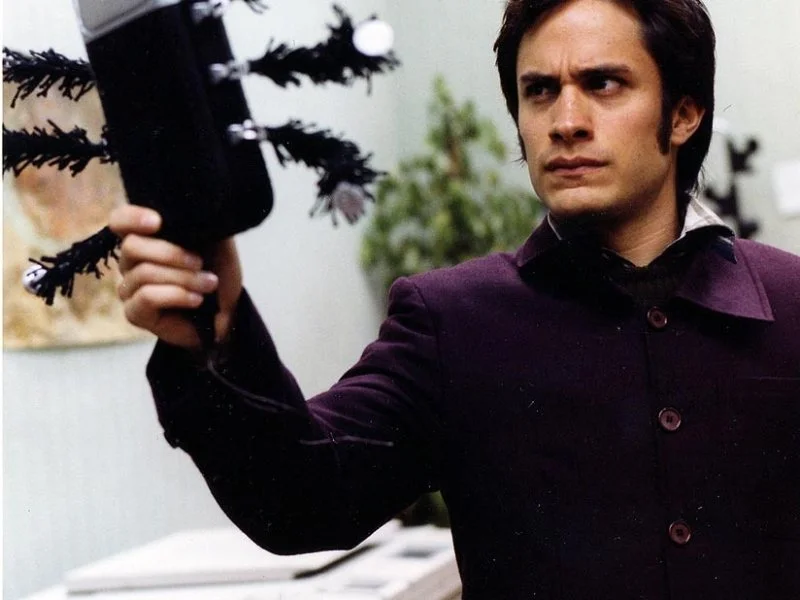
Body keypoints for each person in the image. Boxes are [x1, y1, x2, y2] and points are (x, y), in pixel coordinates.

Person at [110, 0, 800, 597]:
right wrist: (218, 333)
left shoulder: (792, 303)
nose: (565, 120)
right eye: (539, 91)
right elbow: (303, 499)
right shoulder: (455, 322)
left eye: (604, 84)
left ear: (683, 114)